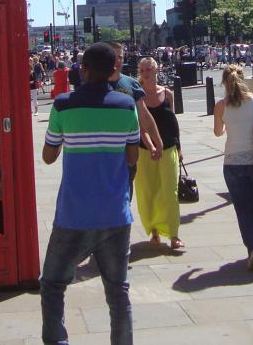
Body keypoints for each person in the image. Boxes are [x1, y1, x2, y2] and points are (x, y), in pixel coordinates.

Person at [40, 42, 141, 345]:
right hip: (115, 214)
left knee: (53, 284)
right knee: (117, 292)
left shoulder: (63, 105)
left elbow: (48, 156)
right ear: (114, 71)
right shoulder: (126, 106)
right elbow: (133, 157)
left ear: (82, 70)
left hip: (74, 214)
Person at [213, 63, 253, 270]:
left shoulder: (221, 105)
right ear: (244, 78)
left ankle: (251, 247)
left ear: (223, 81)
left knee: (242, 208)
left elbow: (218, 132)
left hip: (232, 162)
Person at [133, 57, 183, 250]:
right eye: (143, 70)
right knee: (149, 192)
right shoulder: (137, 97)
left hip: (169, 146)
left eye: (149, 69)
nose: (146, 73)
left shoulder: (167, 93)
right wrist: (152, 146)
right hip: (145, 150)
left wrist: (179, 147)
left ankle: (174, 234)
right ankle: (154, 230)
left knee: (171, 191)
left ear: (156, 69)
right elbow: (141, 126)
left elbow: (173, 121)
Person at [105, 41, 164, 195]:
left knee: (125, 198)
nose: (117, 61)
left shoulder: (131, 84)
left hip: (127, 154)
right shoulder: (94, 84)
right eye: (113, 57)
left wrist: (157, 142)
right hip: (101, 154)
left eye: (120, 57)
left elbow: (144, 115)